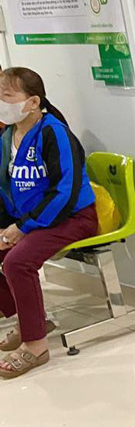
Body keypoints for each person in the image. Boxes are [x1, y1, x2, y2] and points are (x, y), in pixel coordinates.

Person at [0, 67, 97, 378]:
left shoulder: (54, 133)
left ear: (32, 102)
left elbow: (64, 192)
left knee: (17, 262)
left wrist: (23, 227)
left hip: (73, 217)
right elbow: (4, 187)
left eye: (7, 96)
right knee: (3, 251)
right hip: (34, 219)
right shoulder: (7, 137)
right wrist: (6, 229)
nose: (1, 102)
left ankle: (36, 346)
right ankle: (29, 321)